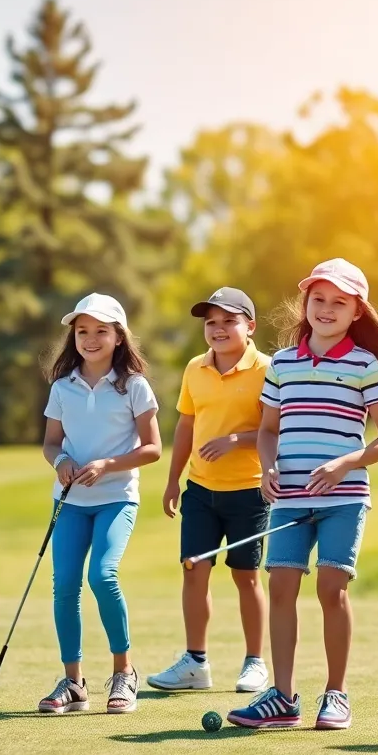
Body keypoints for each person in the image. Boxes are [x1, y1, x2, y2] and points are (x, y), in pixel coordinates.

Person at [227, 258, 378, 730]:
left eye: (338, 302)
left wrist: (347, 461)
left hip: (344, 497)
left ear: (356, 311)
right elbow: (266, 430)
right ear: (306, 302)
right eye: (318, 299)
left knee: (330, 589)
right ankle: (282, 697)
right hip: (289, 497)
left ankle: (336, 694)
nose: (325, 308)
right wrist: (266, 469)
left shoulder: (364, 365)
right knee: (281, 586)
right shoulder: (282, 363)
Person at [37, 293, 161, 714]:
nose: (90, 339)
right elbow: (52, 444)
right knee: (65, 585)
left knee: (103, 576)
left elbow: (153, 448)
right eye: (82, 331)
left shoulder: (135, 387)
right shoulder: (62, 387)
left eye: (101, 331)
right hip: (71, 500)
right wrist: (62, 462)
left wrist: (108, 464)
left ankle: (124, 674)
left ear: (119, 337)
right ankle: (73, 684)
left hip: (117, 498)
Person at [149, 287, 271, 694]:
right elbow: (185, 425)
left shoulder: (269, 369)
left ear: (249, 326)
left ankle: (255, 662)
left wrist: (236, 441)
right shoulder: (193, 369)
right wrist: (172, 479)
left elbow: (277, 428)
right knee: (193, 570)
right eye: (211, 323)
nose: (218, 329)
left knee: (245, 576)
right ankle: (195, 663)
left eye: (228, 321)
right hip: (200, 488)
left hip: (249, 492)